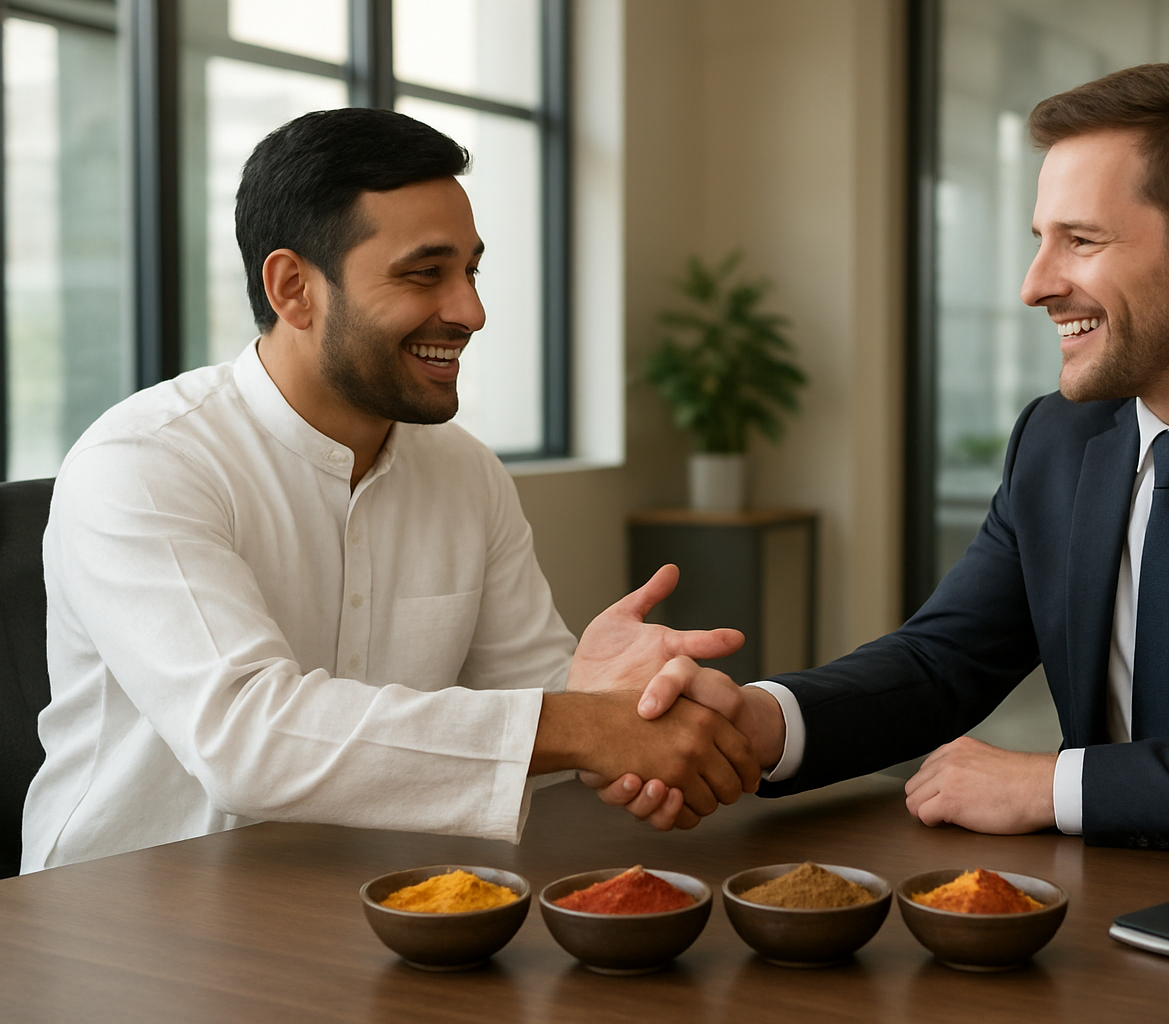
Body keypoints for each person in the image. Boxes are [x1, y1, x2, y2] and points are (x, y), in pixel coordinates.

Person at [610, 62, 1169, 870]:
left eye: (1079, 240)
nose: (1035, 283)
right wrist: (762, 724)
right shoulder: (1058, 439)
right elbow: (943, 662)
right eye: (1039, 238)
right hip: (1117, 912)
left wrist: (1053, 787)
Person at [21, 108, 758, 873]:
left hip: (367, 908)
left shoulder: (466, 472)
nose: (470, 311)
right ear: (294, 288)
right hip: (115, 927)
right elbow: (247, 739)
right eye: (423, 273)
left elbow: (545, 712)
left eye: (470, 270)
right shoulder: (143, 461)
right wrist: (581, 723)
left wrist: (605, 699)